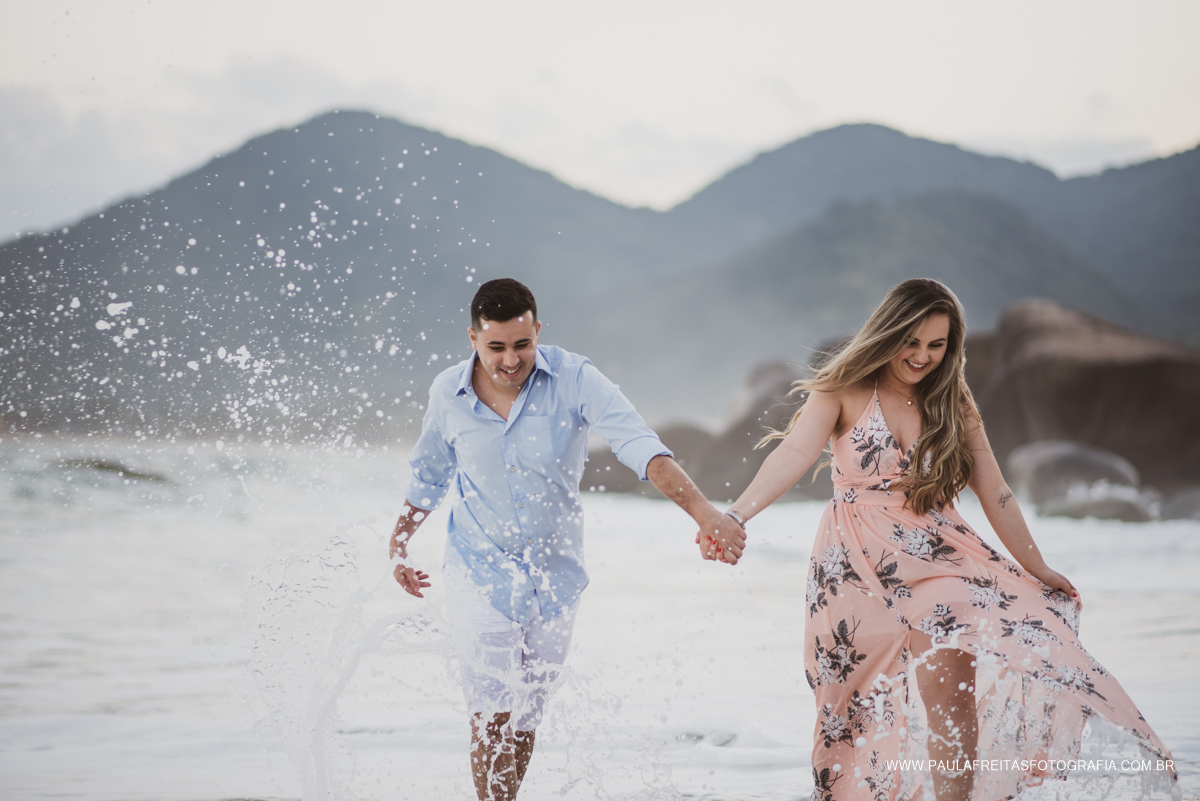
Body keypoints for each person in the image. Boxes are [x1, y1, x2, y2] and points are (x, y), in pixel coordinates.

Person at [703, 279, 1177, 801]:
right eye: (913, 342)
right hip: (853, 562)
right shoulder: (842, 388)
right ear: (889, 331)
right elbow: (792, 454)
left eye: (938, 345)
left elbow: (995, 490)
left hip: (938, 556)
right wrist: (737, 515)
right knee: (845, 712)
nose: (923, 357)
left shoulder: (953, 400)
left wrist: (1036, 567)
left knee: (951, 693)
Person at [390, 278, 745, 801]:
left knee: (526, 718)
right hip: (477, 571)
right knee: (491, 713)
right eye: (496, 347)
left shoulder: (577, 378)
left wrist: (705, 515)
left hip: (555, 578)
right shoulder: (448, 392)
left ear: (538, 331)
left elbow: (640, 446)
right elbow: (428, 473)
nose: (511, 361)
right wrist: (398, 546)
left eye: (522, 344)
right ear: (472, 338)